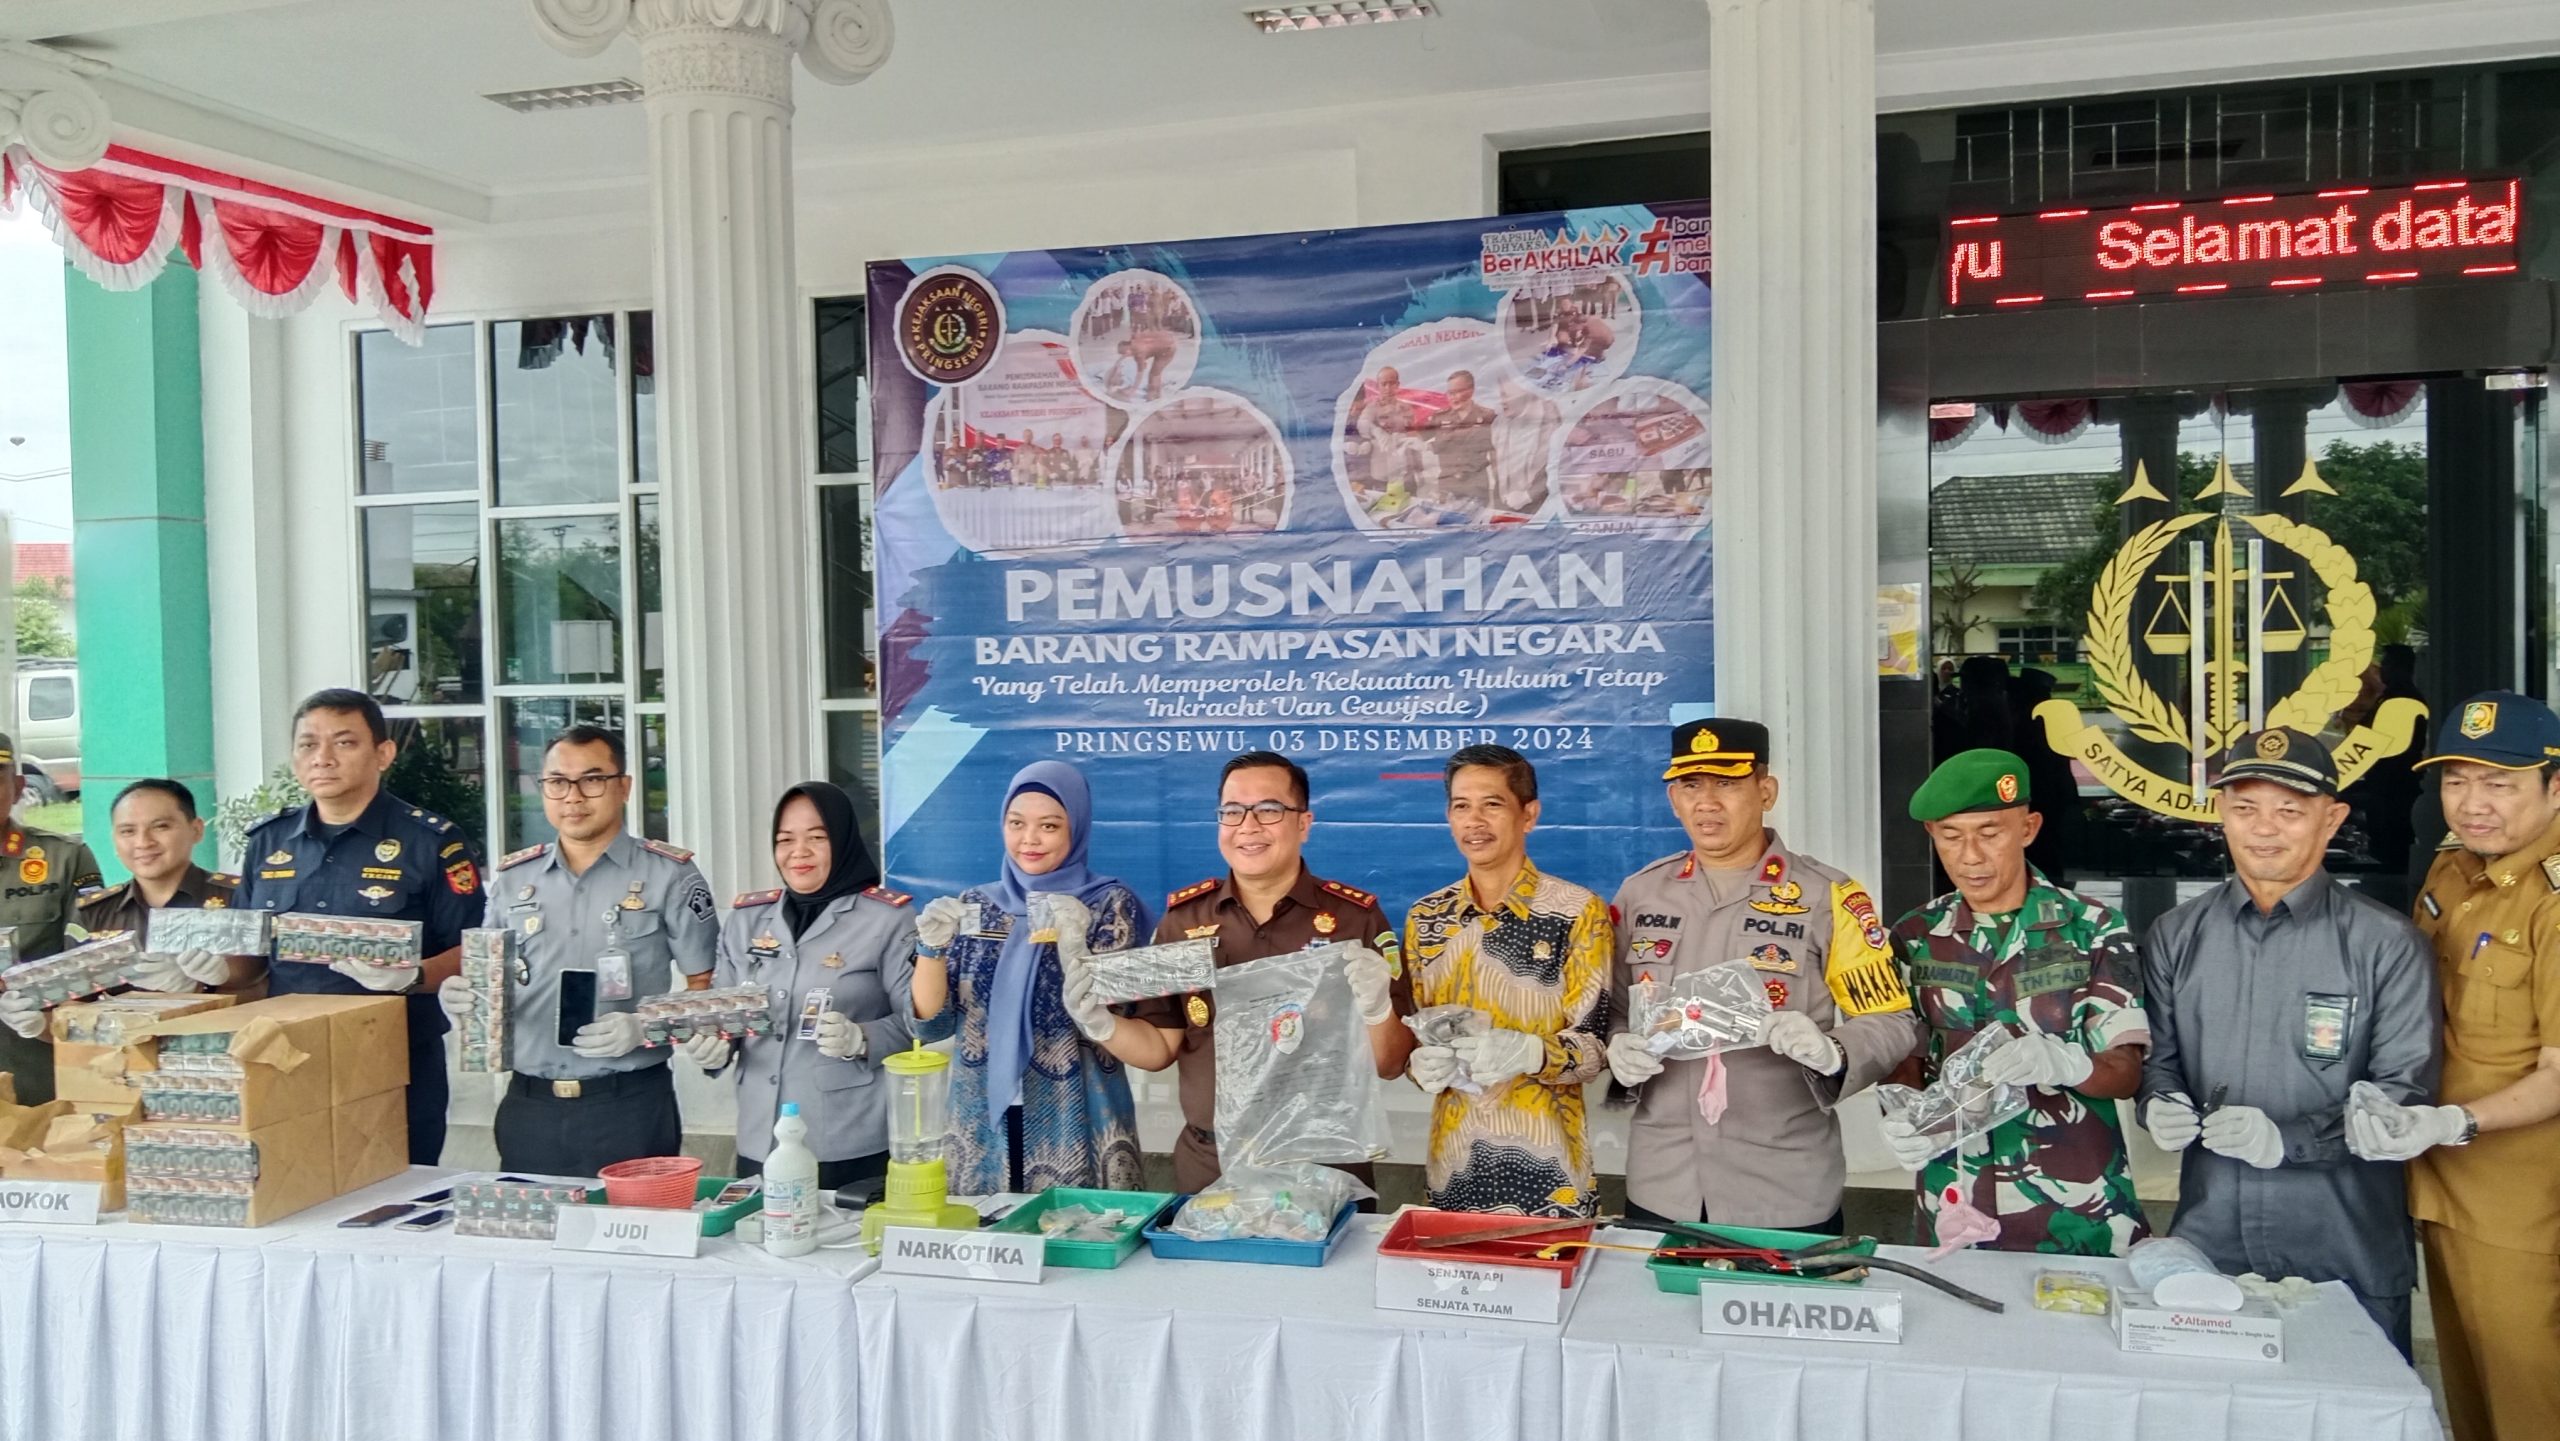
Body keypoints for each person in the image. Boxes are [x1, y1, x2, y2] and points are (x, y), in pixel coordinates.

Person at [2139, 728, 2441, 1356]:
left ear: (2331, 820)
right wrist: (2157, 1102)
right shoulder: (2175, 935)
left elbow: (2403, 1094)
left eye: (2289, 811)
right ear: (2221, 813)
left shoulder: (2386, 944)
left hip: (2344, 1243)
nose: (2264, 829)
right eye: (2245, 808)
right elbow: (2159, 1063)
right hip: (2211, 1245)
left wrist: (2290, 1139)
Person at [1603, 720, 1919, 1230]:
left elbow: (1891, 1020)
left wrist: (1834, 1051)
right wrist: (1618, 1043)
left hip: (1784, 1185)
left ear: (1766, 792)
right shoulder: (1641, 894)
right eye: (1691, 785)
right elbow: (1615, 1010)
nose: (1707, 803)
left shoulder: (1827, 895)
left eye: (1727, 784)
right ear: (1673, 799)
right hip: (1664, 1181)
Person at [2348, 693, 2560, 1441]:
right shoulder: (2453, 865)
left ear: (2555, 786)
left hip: (2522, 1206)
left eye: (2500, 783)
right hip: (2440, 1183)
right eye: (2457, 781)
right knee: (2469, 1399)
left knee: (2528, 1402)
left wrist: (2454, 1121)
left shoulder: (2553, 900)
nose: (2474, 804)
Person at [1088, 752, 1412, 1194]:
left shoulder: (1356, 920)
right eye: (1232, 811)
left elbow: (1391, 1064)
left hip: (1326, 1164)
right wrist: (1100, 1024)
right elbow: (1160, 1047)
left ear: (1304, 823)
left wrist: (1376, 1011)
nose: (1248, 826)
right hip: (1212, 1165)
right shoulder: (1183, 921)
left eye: (1269, 809)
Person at [1882, 749, 2151, 1255]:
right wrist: (1905, 1115)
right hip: (1956, 1200)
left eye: (1990, 833)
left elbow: (2125, 1072)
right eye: (1951, 836)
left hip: (2079, 1205)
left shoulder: (2093, 928)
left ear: (2028, 829)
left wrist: (2068, 1063)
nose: (1970, 856)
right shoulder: (1914, 936)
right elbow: (1904, 1057)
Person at [438, 725, 721, 1177]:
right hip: (529, 1104)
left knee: (633, 1220)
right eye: (557, 782)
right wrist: (463, 998)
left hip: (629, 1104)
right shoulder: (514, 879)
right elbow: (488, 977)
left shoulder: (670, 875)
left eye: (592, 780)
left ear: (624, 787)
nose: (573, 796)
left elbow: (710, 990)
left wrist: (645, 1027)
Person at [233, 690, 482, 1163]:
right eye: (308, 744)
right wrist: (207, 969)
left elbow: (475, 948)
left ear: (383, 754)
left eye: (344, 743)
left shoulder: (431, 841)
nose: (322, 758)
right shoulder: (268, 841)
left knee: (397, 1192)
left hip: (393, 1058)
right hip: (286, 1058)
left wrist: (413, 975)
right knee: (295, 1186)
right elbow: (246, 959)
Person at [910, 761, 1146, 1194]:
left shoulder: (1108, 904)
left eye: (1049, 826)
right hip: (980, 1121)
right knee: (983, 1233)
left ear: (1076, 829)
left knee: (1076, 1231)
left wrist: (1075, 950)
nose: (1029, 839)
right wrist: (931, 948)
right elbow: (933, 1024)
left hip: (1074, 1116)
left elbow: (1122, 1018)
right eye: (1016, 823)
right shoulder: (976, 904)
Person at [1406, 744, 1613, 1217]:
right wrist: (1419, 1066)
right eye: (1462, 806)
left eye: (1492, 804)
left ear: (1529, 815)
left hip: (1552, 1178)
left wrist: (1532, 1052)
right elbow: (1420, 1037)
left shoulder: (1577, 912)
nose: (1474, 821)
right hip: (1453, 1171)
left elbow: (1595, 1050)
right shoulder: (1427, 917)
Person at [701, 781, 915, 1192]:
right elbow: (721, 1012)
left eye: (817, 837)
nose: (799, 852)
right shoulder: (747, 919)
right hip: (760, 1137)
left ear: (843, 840)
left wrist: (862, 1038)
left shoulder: (886, 920)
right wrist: (713, 1046)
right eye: (785, 839)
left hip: (846, 1139)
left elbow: (919, 1023)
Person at [0, 730, 109, 1100]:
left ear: (17, 788)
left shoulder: (65, 858)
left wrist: (42, 1013)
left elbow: (90, 963)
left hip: (35, 1066)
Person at [76, 779, 254, 994]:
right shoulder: (93, 912)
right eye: (128, 831)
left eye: (161, 827)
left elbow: (269, 987)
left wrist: (205, 986)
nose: (143, 842)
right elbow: (73, 999)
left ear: (196, 830)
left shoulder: (241, 898)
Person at [1423, 369, 1498, 512]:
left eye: (1458, 392)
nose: (1453, 397)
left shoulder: (1488, 416)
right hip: (1448, 486)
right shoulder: (1440, 417)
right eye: (1450, 393)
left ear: (1471, 390)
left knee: (1476, 523)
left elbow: (1497, 450)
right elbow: (1417, 436)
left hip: (1476, 487)